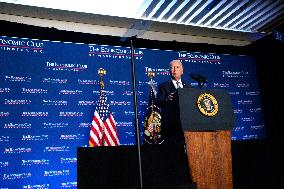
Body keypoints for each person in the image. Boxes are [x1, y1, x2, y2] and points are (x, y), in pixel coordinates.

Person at [157, 59, 191, 144]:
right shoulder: (163, 86)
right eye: (172, 68)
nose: (175, 70)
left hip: (186, 126)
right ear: (169, 71)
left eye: (177, 67)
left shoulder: (188, 86)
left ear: (182, 71)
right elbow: (159, 102)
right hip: (170, 127)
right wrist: (166, 99)